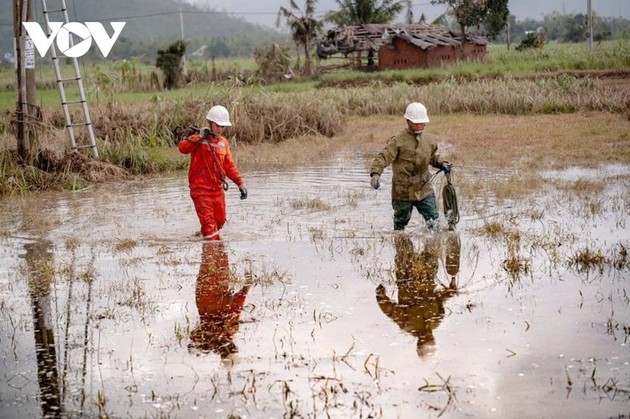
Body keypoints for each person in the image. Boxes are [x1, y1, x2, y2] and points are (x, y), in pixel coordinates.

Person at [369, 102, 452, 231]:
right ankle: (399, 240)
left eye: (421, 122)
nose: (419, 125)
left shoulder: (428, 140)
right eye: (416, 122)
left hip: (424, 187)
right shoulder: (397, 141)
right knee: (400, 224)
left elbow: (432, 157)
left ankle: (434, 241)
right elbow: (384, 157)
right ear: (408, 121)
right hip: (402, 190)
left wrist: (442, 163)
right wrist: (375, 174)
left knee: (434, 221)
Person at [375, 234, 458, 358]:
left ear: (419, 342)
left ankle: (400, 231)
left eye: (426, 340)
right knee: (432, 243)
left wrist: (381, 296)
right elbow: (438, 299)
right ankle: (431, 229)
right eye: (430, 339)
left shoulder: (407, 325)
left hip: (406, 277)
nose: (428, 337)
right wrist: (449, 292)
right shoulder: (436, 321)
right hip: (427, 275)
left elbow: (391, 311)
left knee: (403, 244)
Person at [178, 105, 247, 240]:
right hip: (200, 190)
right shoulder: (199, 139)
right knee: (211, 231)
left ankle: (205, 237)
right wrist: (199, 137)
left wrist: (240, 183)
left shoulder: (223, 143)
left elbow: (229, 166)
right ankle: (211, 243)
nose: (220, 129)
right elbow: (182, 148)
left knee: (219, 222)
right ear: (210, 123)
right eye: (218, 126)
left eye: (223, 126)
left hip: (217, 190)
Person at [189, 242, 251, 358]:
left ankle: (209, 234)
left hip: (212, 291)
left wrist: (246, 287)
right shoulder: (214, 337)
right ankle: (209, 235)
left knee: (215, 251)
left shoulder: (228, 330)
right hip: (204, 296)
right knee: (212, 253)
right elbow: (193, 337)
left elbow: (237, 304)